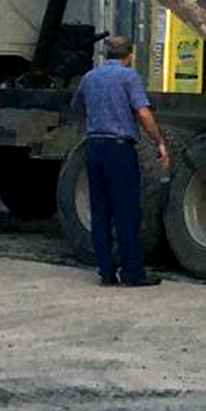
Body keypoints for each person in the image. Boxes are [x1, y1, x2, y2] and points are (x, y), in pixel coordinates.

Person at [70, 35, 171, 288]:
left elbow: (77, 109)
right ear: (129, 55)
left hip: (94, 147)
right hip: (119, 149)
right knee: (127, 212)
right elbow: (143, 112)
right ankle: (132, 273)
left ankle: (105, 271)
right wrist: (158, 141)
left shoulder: (89, 78)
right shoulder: (129, 77)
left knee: (101, 212)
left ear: (105, 55)